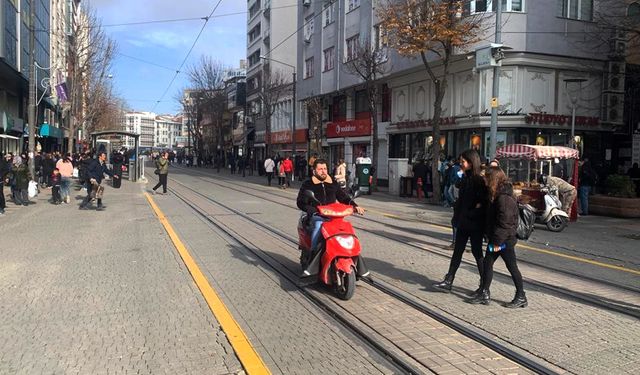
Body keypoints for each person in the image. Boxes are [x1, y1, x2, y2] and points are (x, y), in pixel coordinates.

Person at [468, 166, 527, 308]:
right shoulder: (496, 194)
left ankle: (521, 295)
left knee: (511, 267)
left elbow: (505, 222)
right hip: (499, 238)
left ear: (493, 179)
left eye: (487, 178)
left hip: (504, 240)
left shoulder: (504, 198)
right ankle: (485, 292)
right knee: (488, 263)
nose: (484, 180)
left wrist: (496, 241)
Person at [433, 149, 487, 294]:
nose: (460, 164)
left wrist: (470, 212)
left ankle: (484, 285)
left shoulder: (478, 180)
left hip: (474, 224)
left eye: (463, 161)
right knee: (457, 251)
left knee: (477, 252)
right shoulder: (465, 178)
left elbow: (482, 203)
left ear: (471, 162)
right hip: (463, 221)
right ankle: (449, 280)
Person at [296, 158, 365, 265]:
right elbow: (301, 203)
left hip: (333, 216)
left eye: (325, 168)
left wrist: (355, 206)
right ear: (314, 171)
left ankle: (353, 255)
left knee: (347, 227)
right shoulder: (308, 184)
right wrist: (314, 210)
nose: (323, 171)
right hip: (316, 215)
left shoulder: (332, 182)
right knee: (319, 226)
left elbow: (343, 197)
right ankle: (313, 257)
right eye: (320, 169)